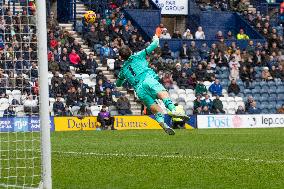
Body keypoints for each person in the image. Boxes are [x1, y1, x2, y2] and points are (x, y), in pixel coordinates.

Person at [116, 35, 187, 135]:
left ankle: (162, 123)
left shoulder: (123, 70)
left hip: (139, 90)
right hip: (147, 79)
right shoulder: (137, 55)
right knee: (163, 94)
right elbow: (153, 45)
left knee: (155, 108)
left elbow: (118, 84)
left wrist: (122, 78)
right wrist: (156, 37)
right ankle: (173, 109)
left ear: (121, 57)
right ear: (130, 52)